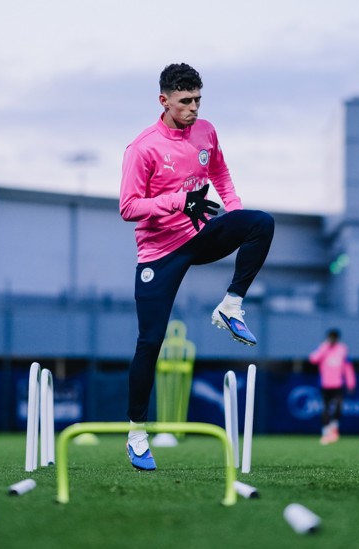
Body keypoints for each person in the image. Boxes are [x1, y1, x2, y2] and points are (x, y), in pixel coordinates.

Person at [118, 63, 275, 470]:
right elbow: (128, 207)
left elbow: (219, 170)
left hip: (200, 233)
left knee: (261, 223)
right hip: (160, 252)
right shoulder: (143, 148)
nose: (192, 108)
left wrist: (233, 217)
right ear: (164, 100)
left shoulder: (206, 130)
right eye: (185, 101)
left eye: (197, 100)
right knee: (149, 343)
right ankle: (137, 435)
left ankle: (231, 306)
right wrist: (177, 202)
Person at [308, 328, 356, 445]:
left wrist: (350, 382)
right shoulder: (323, 347)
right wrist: (324, 348)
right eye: (331, 337)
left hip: (338, 384)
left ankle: (333, 428)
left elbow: (347, 367)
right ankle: (325, 432)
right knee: (325, 408)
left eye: (334, 337)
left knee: (339, 407)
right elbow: (313, 359)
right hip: (325, 384)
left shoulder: (342, 349)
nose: (332, 340)